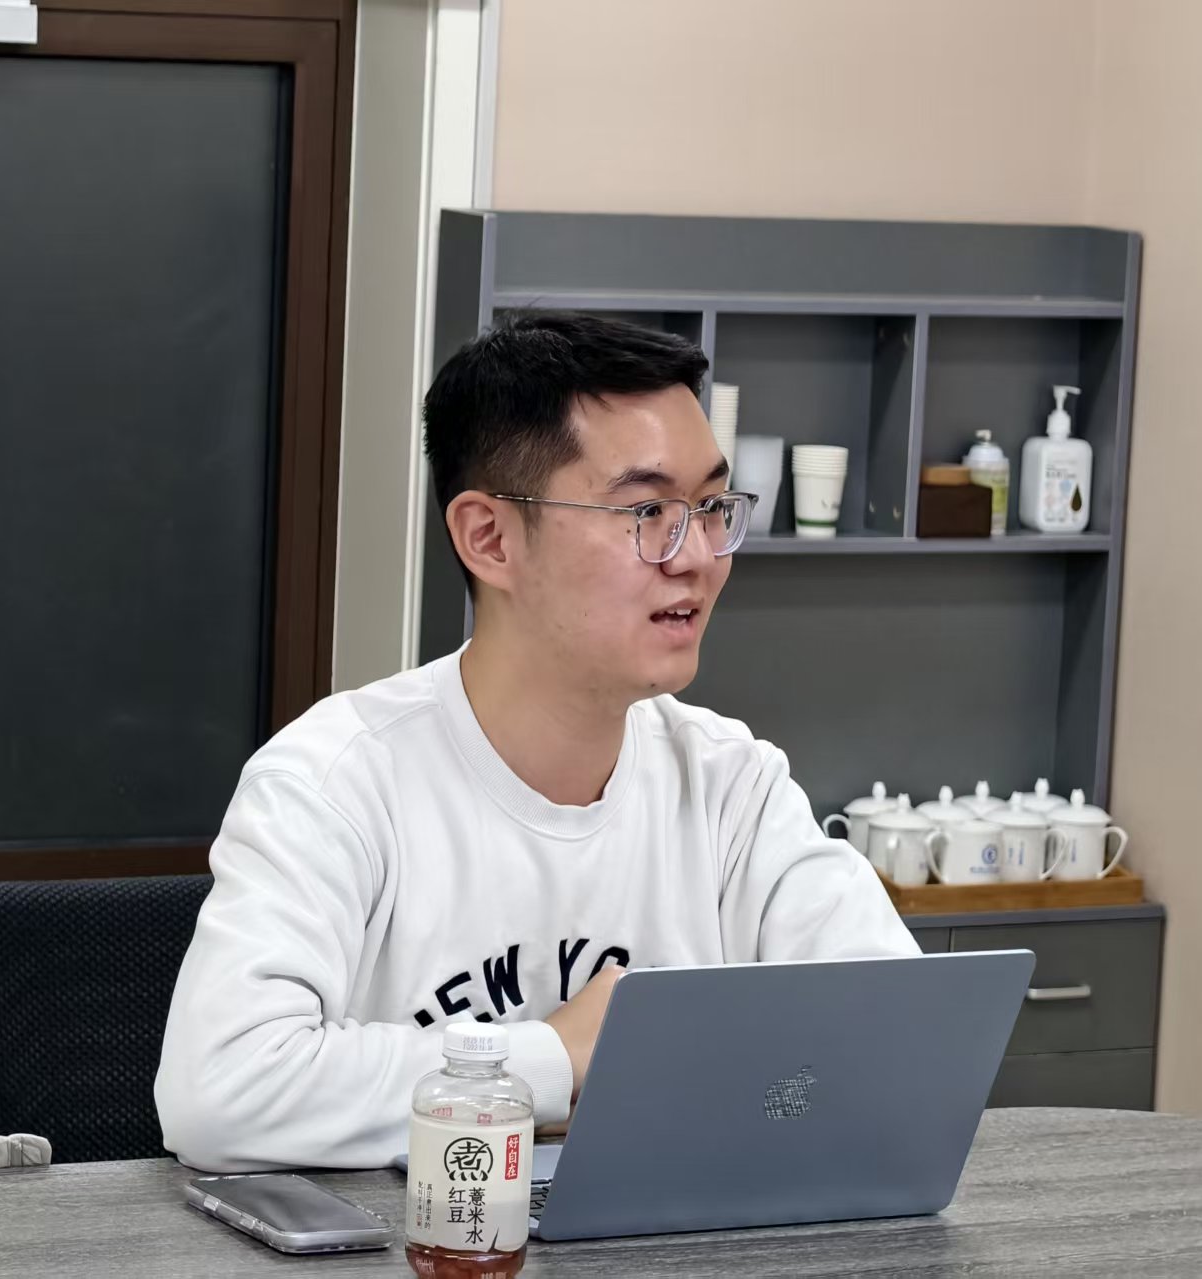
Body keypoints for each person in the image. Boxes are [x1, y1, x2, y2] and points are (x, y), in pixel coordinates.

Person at [154, 312, 917, 1171]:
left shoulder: (731, 784)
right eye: (648, 511)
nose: (699, 556)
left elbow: (902, 1039)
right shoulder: (334, 782)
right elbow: (219, 1090)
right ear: (489, 538)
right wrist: (556, 1057)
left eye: (710, 507)